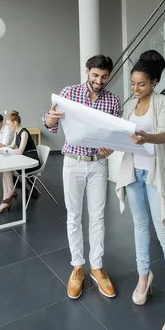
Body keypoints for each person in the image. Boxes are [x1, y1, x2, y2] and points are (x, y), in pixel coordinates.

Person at [115, 49, 165, 330]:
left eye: (141, 84)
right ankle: (144, 276)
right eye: (133, 84)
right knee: (140, 227)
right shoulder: (129, 105)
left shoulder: (164, 102)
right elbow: (122, 135)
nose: (135, 89)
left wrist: (147, 137)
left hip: (156, 176)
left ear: (155, 82)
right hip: (134, 174)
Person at [43, 55, 121, 300]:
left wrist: (111, 147)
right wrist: (49, 119)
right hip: (73, 163)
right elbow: (50, 125)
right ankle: (78, 266)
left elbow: (115, 134)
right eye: (96, 75)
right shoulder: (69, 93)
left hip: (99, 165)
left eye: (104, 76)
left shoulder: (113, 101)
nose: (100, 81)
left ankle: (96, 266)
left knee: (98, 217)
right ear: (87, 72)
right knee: (73, 216)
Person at [0, 110, 41, 214]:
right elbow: (11, 146)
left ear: (15, 123)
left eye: (9, 124)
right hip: (24, 159)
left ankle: (9, 195)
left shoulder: (24, 132)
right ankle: (7, 196)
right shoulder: (16, 133)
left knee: (8, 169)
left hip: (31, 161)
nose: (9, 127)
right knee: (5, 168)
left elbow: (20, 151)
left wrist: (3, 151)